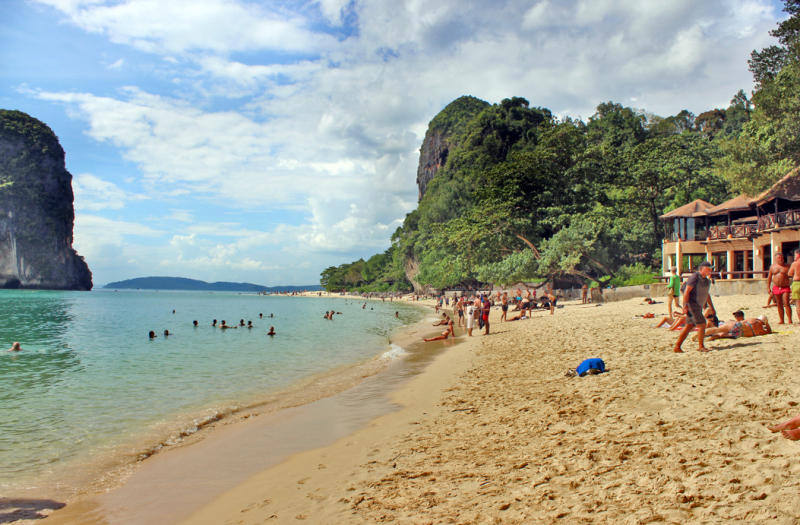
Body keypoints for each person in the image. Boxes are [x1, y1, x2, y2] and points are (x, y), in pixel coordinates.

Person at [673, 261, 715, 353]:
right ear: (702, 268)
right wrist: (685, 305)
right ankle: (701, 346)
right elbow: (687, 291)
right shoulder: (695, 277)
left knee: (689, 326)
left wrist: (712, 307)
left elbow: (706, 295)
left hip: (698, 305)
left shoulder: (706, 280)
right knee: (703, 324)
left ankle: (677, 347)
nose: (710, 270)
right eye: (709, 268)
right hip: (692, 304)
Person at [768, 252, 793, 324]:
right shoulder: (772, 267)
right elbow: (769, 277)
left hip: (785, 287)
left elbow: (793, 274)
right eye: (779, 257)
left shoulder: (788, 266)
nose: (780, 259)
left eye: (781, 257)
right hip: (776, 287)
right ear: (775, 259)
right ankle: (782, 320)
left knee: (786, 302)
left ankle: (790, 320)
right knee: (779, 303)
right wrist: (768, 287)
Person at [706, 313, 772, 340]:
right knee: (721, 335)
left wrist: (731, 322)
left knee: (716, 329)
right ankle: (712, 337)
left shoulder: (753, 320)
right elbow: (769, 331)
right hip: (739, 334)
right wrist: (767, 323)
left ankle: (701, 333)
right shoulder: (761, 331)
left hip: (738, 326)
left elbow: (741, 322)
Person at [790, 248, 800, 323]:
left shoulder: (795, 263)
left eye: (794, 255)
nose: (794, 256)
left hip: (797, 282)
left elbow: (789, 274)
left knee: (798, 304)